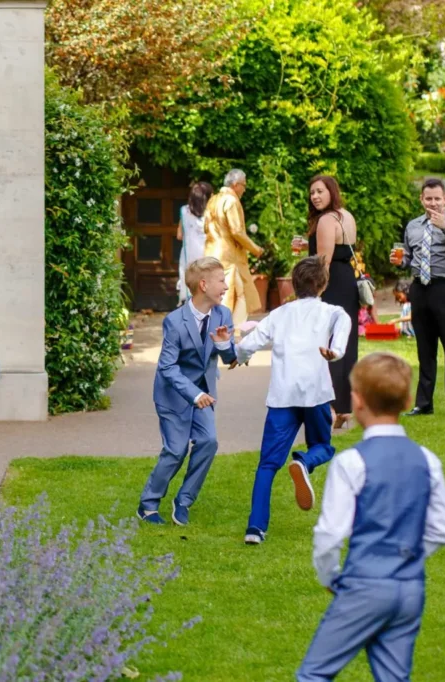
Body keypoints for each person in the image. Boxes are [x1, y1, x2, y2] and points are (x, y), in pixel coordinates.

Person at [297, 352, 445, 681]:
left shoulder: (350, 462)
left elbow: (329, 534)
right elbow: (441, 529)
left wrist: (330, 577)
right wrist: (408, 557)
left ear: (357, 401)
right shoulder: (428, 459)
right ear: (408, 399)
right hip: (410, 588)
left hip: (364, 585)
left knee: (313, 675)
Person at [235, 256, 352, 545]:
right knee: (323, 447)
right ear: (323, 285)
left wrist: (235, 355)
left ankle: (255, 528)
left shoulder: (279, 314)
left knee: (267, 465)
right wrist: (334, 352)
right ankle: (304, 462)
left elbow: (249, 344)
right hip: (315, 394)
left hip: (282, 396)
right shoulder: (333, 312)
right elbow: (342, 331)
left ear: (293, 285)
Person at [137, 257, 237, 526]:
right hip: (173, 394)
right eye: (221, 280)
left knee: (209, 442)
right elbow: (167, 367)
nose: (226, 287)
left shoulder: (223, 314)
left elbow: (231, 358)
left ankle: (183, 500)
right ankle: (147, 504)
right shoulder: (174, 321)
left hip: (204, 394)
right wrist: (193, 394)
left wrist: (225, 344)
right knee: (176, 450)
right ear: (203, 285)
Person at [391, 178, 445, 421]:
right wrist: (400, 261)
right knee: (424, 348)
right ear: (422, 199)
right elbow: (409, 257)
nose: (433, 203)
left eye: (437, 198)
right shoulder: (413, 226)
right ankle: (423, 404)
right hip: (420, 290)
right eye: (429, 199)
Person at [295, 175, 360, 430]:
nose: (315, 196)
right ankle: (346, 408)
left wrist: (315, 295)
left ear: (331, 191)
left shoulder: (324, 220)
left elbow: (323, 263)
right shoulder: (346, 215)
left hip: (332, 285)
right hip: (349, 282)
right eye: (312, 193)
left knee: (327, 344)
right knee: (346, 343)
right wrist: (306, 246)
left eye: (320, 191)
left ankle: (330, 407)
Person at [203, 169, 265, 329]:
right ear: (236, 185)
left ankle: (222, 329)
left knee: (216, 294)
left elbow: (205, 228)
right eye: (243, 185)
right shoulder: (231, 201)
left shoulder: (213, 200)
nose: (244, 189)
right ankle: (231, 330)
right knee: (238, 294)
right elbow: (237, 231)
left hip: (211, 253)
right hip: (229, 257)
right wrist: (255, 249)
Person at [176, 182, 213, 305]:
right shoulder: (211, 213)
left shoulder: (184, 211)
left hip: (188, 256)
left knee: (189, 288)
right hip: (207, 254)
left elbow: (179, 235)